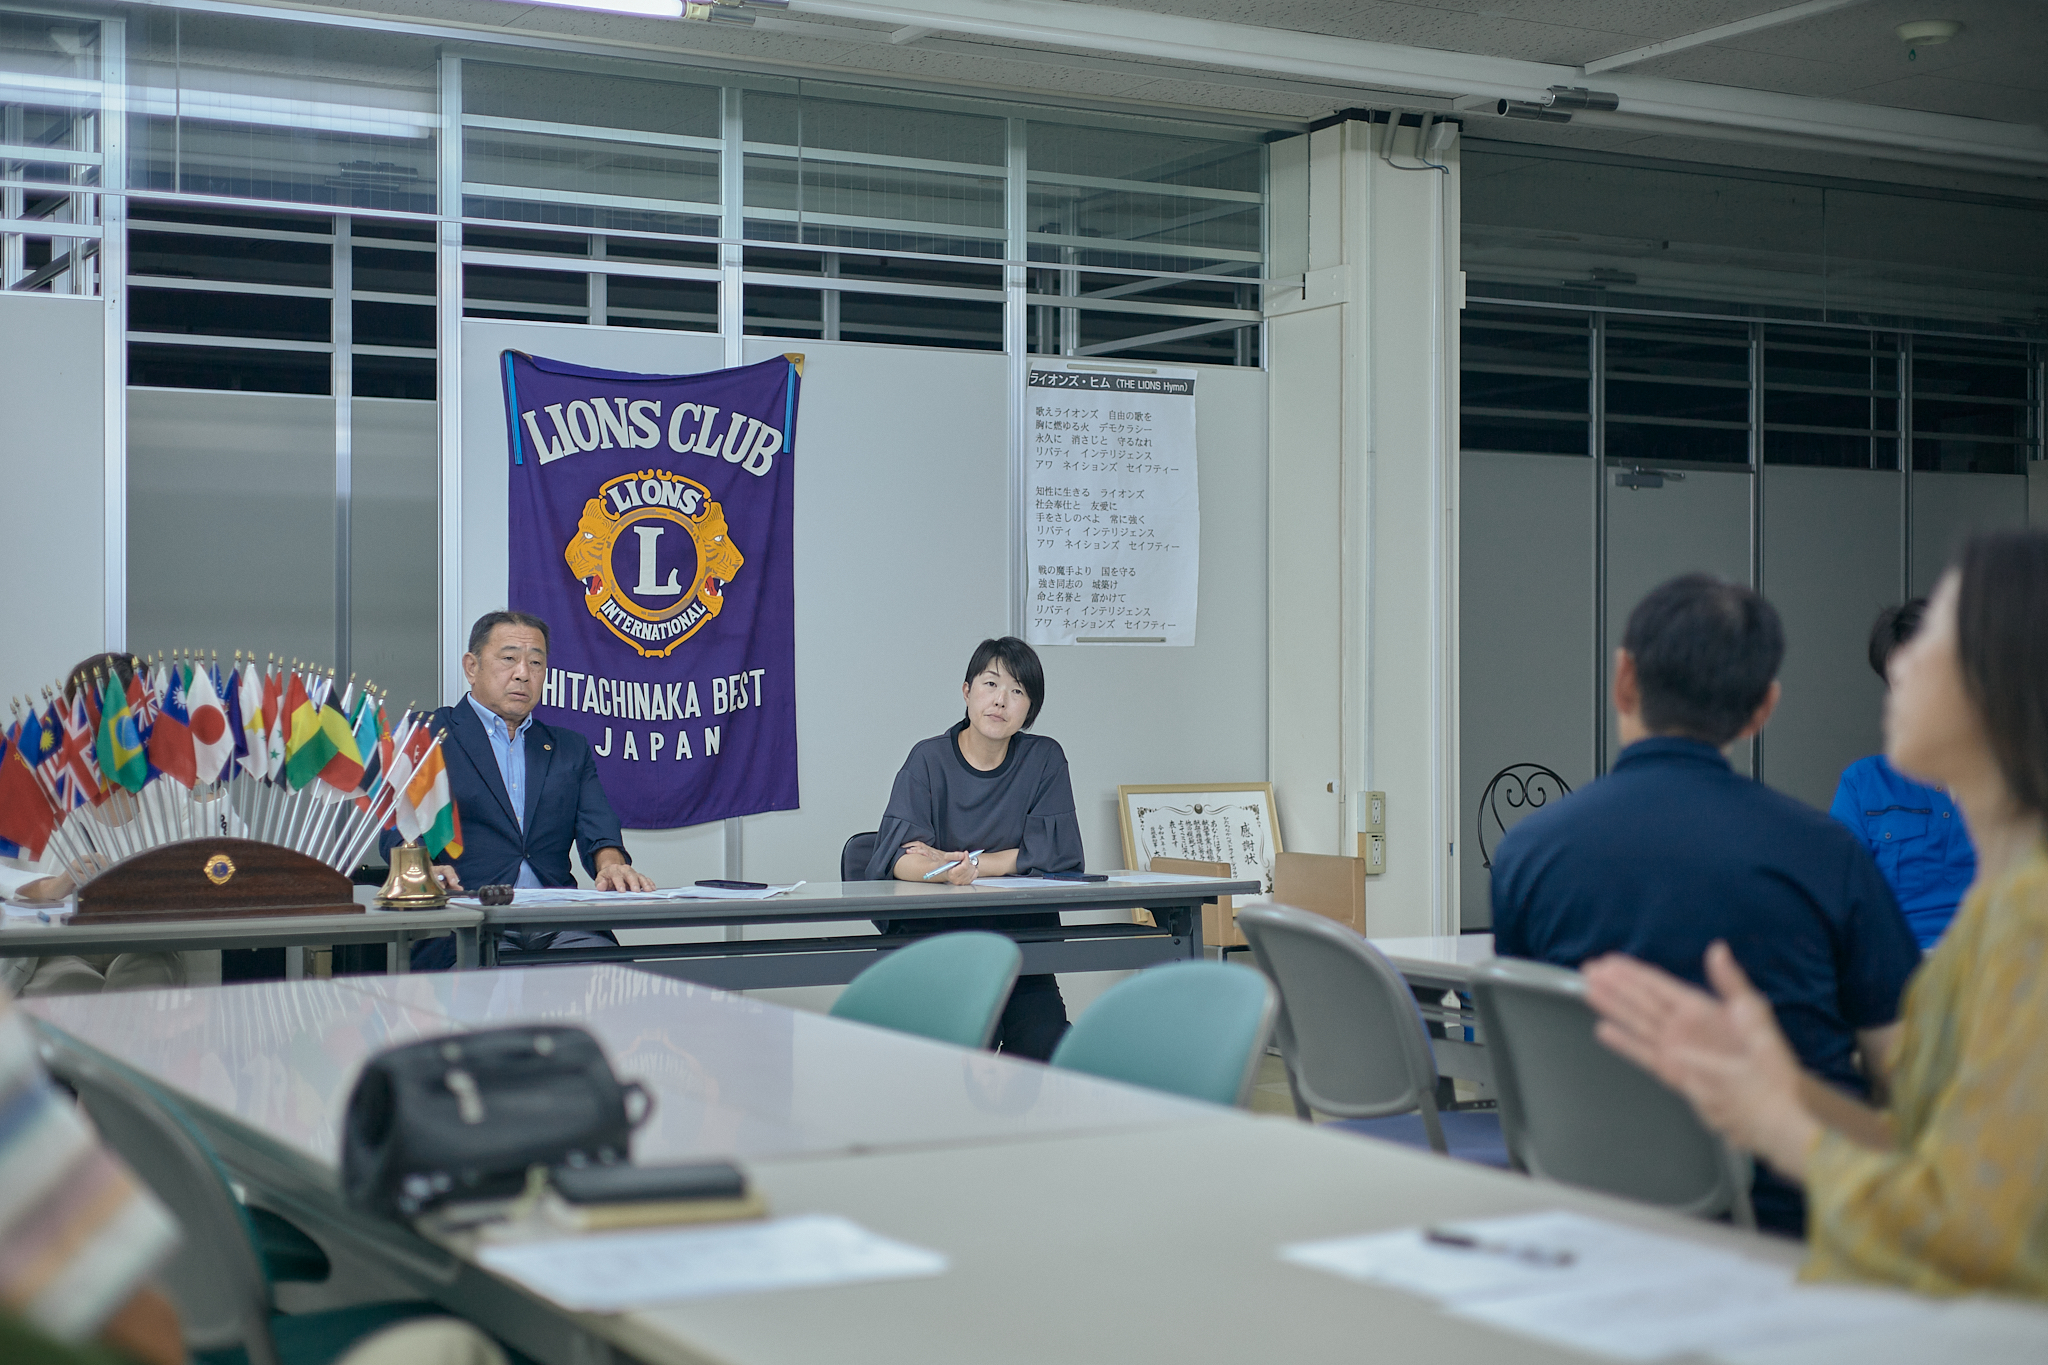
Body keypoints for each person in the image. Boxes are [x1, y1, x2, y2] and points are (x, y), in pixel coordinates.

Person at [1586, 531, 2048, 1298]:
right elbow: (1932, 1163)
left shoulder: (2030, 931)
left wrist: (1781, 1123)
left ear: (2004, 681)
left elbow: (1974, 1239)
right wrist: (1784, 1092)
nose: (1899, 666)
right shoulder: (1991, 918)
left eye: (1934, 638)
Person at [1490, 573, 1920, 1235]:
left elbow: (1531, 1054)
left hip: (1594, 1216)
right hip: (1791, 1226)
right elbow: (1901, 1072)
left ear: (1623, 679)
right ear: (1762, 708)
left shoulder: (1527, 855)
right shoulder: (1827, 854)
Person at [386, 611, 654, 970]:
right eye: (509, 658)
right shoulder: (429, 735)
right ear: (471, 667)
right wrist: (420, 869)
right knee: (493, 993)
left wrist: (613, 866)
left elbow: (598, 826)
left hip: (556, 921)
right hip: (466, 922)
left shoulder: (567, 748)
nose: (523, 674)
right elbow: (396, 826)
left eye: (536, 662)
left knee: (617, 985)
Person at [865, 637, 1083, 1060]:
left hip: (1022, 940)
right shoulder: (927, 760)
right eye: (990, 684)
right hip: (938, 940)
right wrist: (945, 874)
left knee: (1045, 1045)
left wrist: (975, 865)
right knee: (954, 1051)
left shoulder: (1045, 759)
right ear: (967, 692)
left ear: (1030, 710)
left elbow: (1054, 855)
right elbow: (899, 858)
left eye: (1018, 692)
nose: (1001, 701)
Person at [1, 654, 213, 996]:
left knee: (143, 984)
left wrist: (206, 794)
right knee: (66, 990)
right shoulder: (43, 785)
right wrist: (48, 886)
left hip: (147, 942)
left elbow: (221, 869)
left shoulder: (172, 788)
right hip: (59, 943)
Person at [1830, 599, 1976, 949]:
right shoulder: (1864, 783)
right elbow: (1839, 902)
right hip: (1901, 972)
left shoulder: (2020, 775)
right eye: (1904, 681)